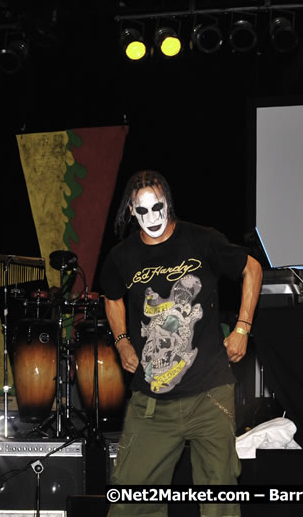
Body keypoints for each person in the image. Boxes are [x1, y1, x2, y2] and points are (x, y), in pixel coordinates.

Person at [100, 170, 262, 517]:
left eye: (157, 207)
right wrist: (122, 341)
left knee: (220, 499)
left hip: (209, 395)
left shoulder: (201, 240)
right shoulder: (122, 256)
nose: (152, 217)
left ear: (168, 203)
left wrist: (243, 327)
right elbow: (111, 296)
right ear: (131, 210)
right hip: (151, 401)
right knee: (131, 501)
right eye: (142, 210)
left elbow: (252, 268)